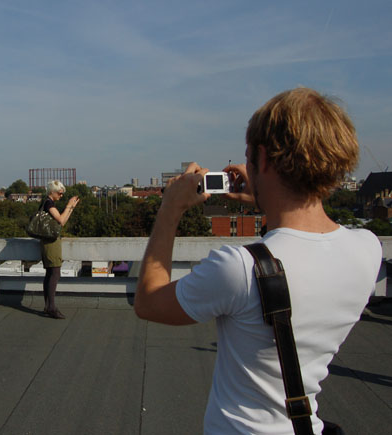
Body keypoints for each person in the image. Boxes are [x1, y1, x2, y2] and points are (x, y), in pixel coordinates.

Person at [134, 88, 382, 434]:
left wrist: (170, 208)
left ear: (263, 159)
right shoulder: (367, 249)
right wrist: (266, 196)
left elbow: (148, 301)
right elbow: (298, 246)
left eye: (249, 156)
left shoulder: (239, 269)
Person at [40, 180, 80, 319]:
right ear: (52, 191)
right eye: (60, 193)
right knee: (55, 273)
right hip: (51, 242)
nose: (61, 196)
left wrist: (71, 207)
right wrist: (69, 206)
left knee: (50, 273)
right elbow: (61, 221)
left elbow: (61, 222)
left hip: (49, 241)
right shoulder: (49, 203)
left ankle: (48, 306)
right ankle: (51, 307)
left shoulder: (48, 202)